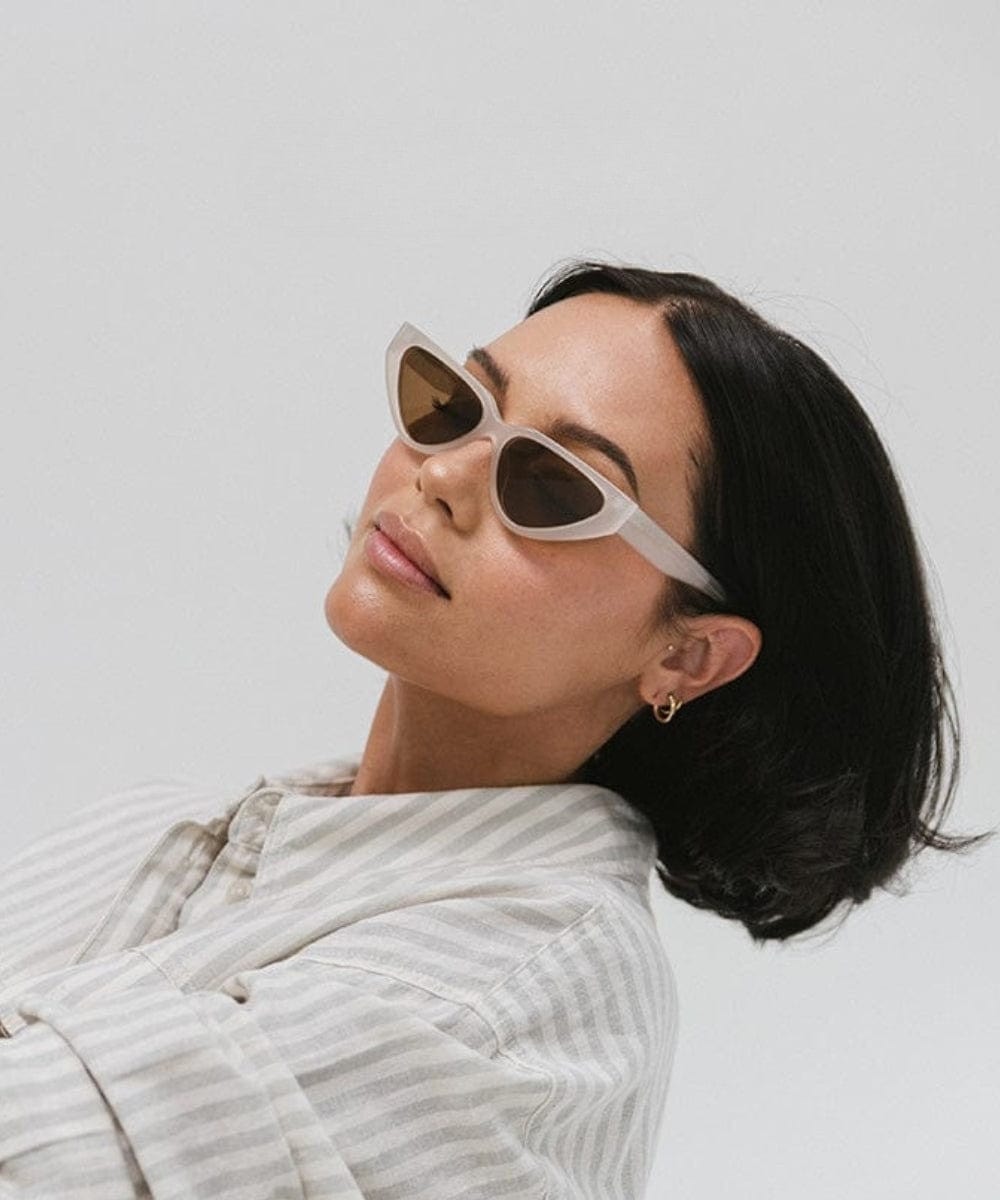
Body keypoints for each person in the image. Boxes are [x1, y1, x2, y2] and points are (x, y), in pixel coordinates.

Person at [0, 260, 990, 1199]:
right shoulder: (148, 830)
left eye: (553, 486)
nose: (442, 476)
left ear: (685, 656)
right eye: (454, 404)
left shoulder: (520, 993)